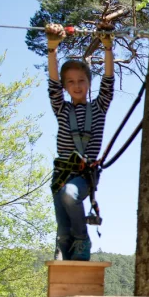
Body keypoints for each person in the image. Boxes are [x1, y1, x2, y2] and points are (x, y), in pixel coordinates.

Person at [45, 22, 115, 261]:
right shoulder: (62, 109)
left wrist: (107, 48)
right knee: (63, 230)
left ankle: (83, 239)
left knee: (70, 194)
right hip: (61, 171)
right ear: (66, 87)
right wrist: (52, 50)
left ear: (89, 83)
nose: (77, 86)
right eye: (71, 82)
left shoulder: (98, 108)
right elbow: (53, 86)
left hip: (84, 174)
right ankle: (68, 261)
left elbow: (108, 83)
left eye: (82, 81)